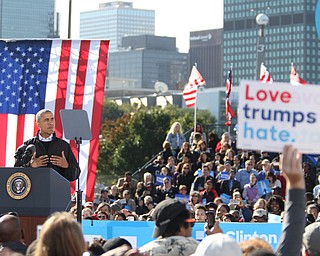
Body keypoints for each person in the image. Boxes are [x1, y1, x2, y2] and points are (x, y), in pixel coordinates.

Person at [14, 109, 79, 181]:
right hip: (35, 190)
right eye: (46, 120)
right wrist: (31, 165)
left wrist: (66, 166)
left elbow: (75, 175)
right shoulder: (28, 145)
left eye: (52, 119)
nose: (51, 123)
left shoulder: (63, 146)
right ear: (38, 124)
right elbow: (16, 173)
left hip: (57, 190)